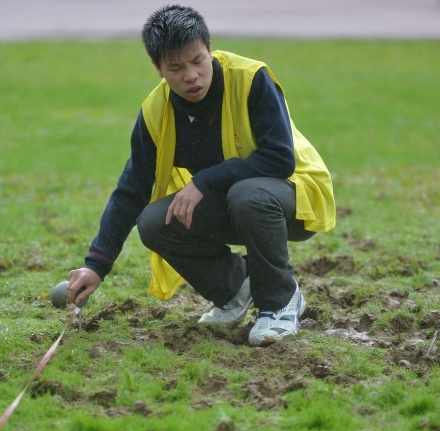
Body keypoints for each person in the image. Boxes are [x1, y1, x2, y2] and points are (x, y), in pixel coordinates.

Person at [67, 4, 335, 346]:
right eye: (176, 68)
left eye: (197, 61)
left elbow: (280, 158)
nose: (191, 75)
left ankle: (280, 302)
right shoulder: (156, 112)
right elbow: (131, 191)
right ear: (158, 68)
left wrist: (205, 181)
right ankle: (236, 288)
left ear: (210, 49)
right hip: (238, 205)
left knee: (248, 195)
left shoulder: (252, 79)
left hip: (295, 198)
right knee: (154, 221)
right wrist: (96, 265)